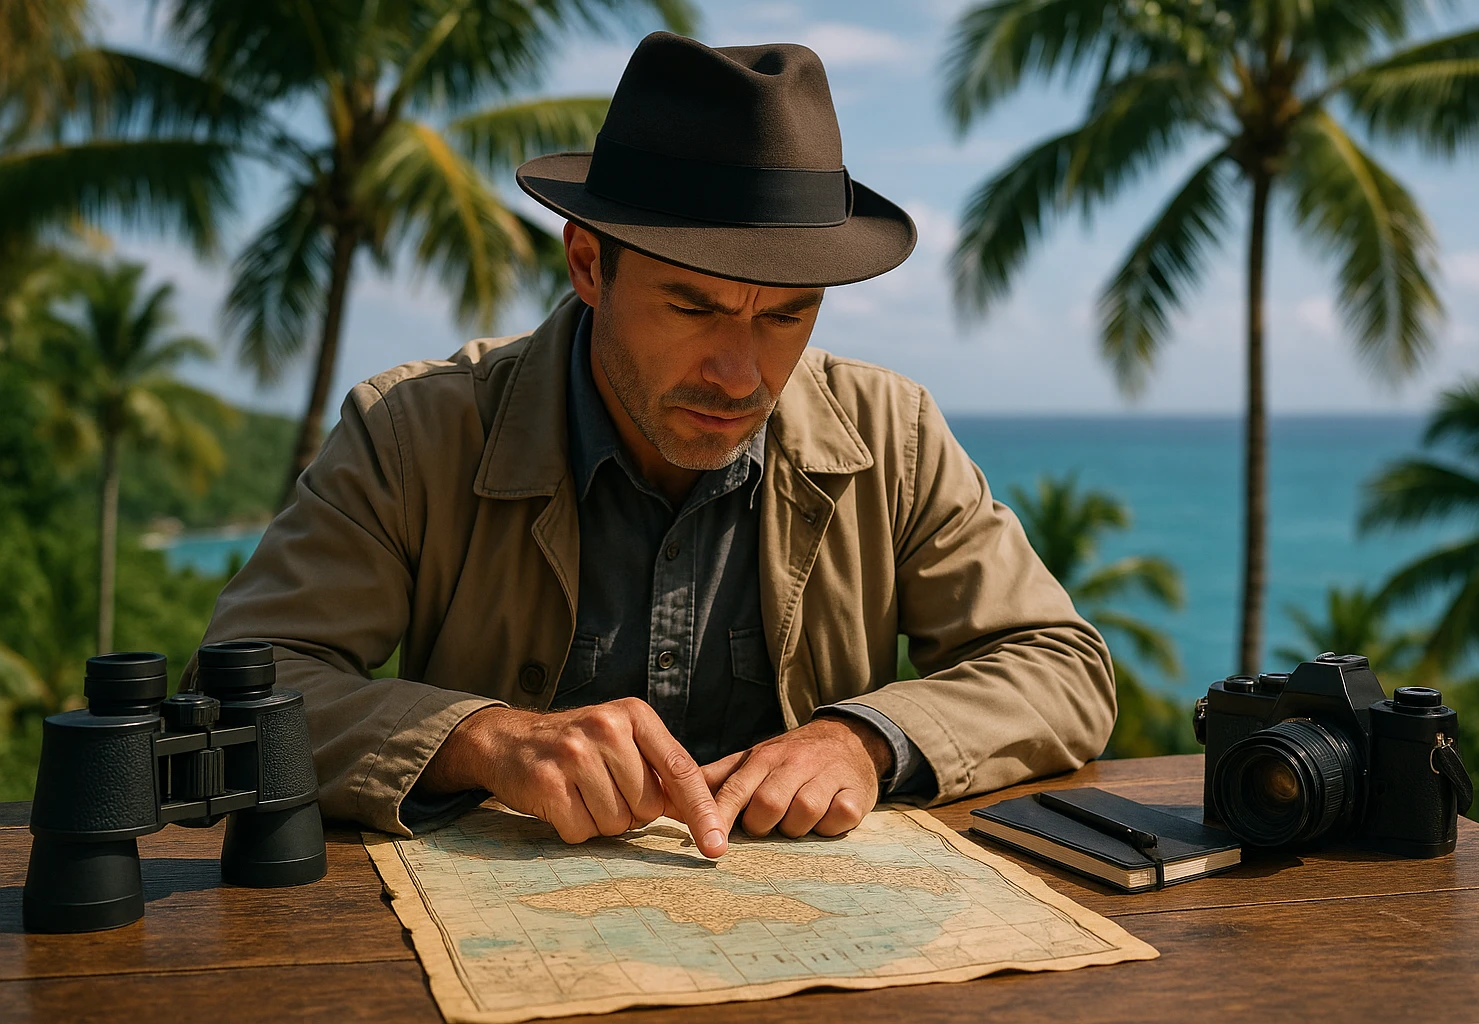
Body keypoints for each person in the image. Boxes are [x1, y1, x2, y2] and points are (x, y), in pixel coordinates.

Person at [190, 32, 1116, 860]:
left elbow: (1062, 667)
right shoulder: (413, 432)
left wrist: (863, 738)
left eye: (787, 317)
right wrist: (483, 739)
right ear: (588, 264)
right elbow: (234, 691)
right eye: (692, 306)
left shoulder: (895, 433)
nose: (740, 373)